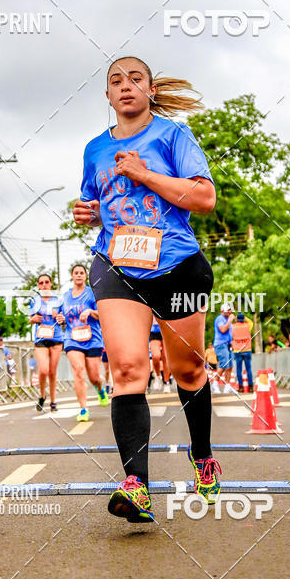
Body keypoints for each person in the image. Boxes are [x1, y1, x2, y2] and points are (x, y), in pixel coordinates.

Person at [73, 55, 219, 524]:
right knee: (129, 369)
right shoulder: (94, 148)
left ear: (151, 89)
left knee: (189, 371)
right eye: (116, 81)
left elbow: (204, 198)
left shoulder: (173, 136)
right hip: (118, 265)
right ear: (108, 95)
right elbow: (106, 205)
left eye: (136, 79)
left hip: (177, 266)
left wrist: (144, 173)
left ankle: (203, 456)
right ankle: (136, 485)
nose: (126, 86)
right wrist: (90, 214)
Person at [58, 263, 109, 421]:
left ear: (85, 276)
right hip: (72, 338)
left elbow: (102, 315)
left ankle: (100, 389)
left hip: (92, 339)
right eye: (76, 272)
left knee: (94, 377)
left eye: (81, 272)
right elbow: (62, 316)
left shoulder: (92, 293)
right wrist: (60, 319)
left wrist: (89, 311)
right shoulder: (65, 296)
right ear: (72, 276)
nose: (79, 275)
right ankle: (83, 409)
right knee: (79, 371)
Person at [29, 273, 64, 413]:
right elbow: (30, 318)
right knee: (43, 370)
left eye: (46, 282)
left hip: (56, 338)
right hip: (41, 338)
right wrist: (34, 319)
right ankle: (42, 395)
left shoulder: (58, 300)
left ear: (50, 284)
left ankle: (53, 401)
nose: (44, 285)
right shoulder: (35, 300)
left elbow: (64, 318)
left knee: (52, 372)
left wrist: (60, 317)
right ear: (38, 285)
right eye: (41, 282)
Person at [213, 303, 235, 393]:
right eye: (228, 310)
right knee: (224, 364)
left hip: (228, 345)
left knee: (229, 366)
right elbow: (222, 329)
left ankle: (227, 385)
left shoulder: (227, 319)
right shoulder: (220, 319)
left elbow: (229, 333)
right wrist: (230, 320)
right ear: (223, 311)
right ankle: (214, 383)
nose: (230, 312)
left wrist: (232, 342)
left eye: (230, 310)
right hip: (220, 344)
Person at [232, 313, 253, 392]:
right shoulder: (247, 326)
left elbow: (231, 336)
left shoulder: (233, 327)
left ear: (237, 319)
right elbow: (251, 322)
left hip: (238, 351)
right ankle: (250, 387)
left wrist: (235, 318)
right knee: (248, 369)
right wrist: (244, 318)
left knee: (239, 369)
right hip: (247, 350)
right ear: (243, 319)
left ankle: (240, 387)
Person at [149, 317, 171, 393]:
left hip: (166, 328)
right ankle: (158, 376)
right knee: (156, 356)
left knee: (165, 358)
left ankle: (166, 383)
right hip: (153, 330)